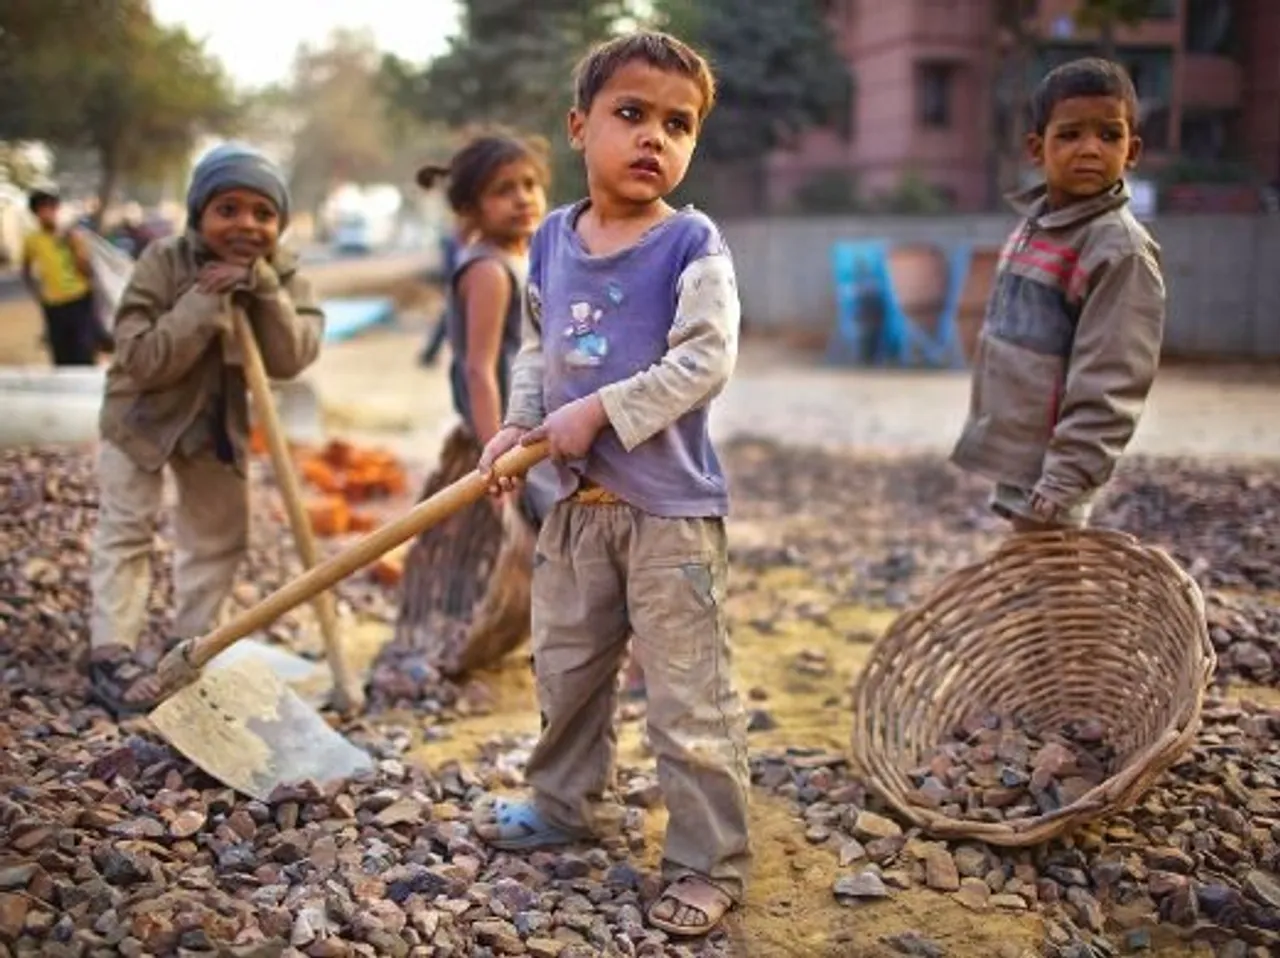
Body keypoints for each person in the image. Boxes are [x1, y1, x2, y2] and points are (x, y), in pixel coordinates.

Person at [472, 31, 750, 938]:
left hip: (668, 513)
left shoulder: (691, 243)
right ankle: (561, 804)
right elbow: (535, 348)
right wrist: (520, 425)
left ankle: (708, 859)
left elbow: (706, 359)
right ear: (579, 126)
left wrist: (599, 413)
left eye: (679, 125)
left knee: (687, 696)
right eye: (631, 115)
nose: (654, 140)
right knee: (568, 669)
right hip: (575, 513)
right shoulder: (551, 238)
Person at [88, 143, 324, 716]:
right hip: (141, 417)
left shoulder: (283, 273)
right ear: (199, 215)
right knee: (127, 527)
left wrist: (263, 288)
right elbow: (140, 359)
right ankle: (110, 654)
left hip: (215, 424)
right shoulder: (163, 262)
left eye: (262, 214)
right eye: (228, 209)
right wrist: (202, 299)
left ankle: (192, 647)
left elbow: (293, 356)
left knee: (220, 535)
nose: (246, 224)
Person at [951, 57, 1166, 532]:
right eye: (1070, 135)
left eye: (1109, 135)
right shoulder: (1040, 226)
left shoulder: (1117, 250)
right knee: (1040, 583)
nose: (1090, 149)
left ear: (1132, 151)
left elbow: (1111, 380)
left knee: (1054, 584)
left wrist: (1066, 478)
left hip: (1057, 467)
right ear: (1036, 148)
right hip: (1024, 456)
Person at [380, 133, 554, 687]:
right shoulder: (487, 269)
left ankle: (562, 639)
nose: (524, 198)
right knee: (545, 536)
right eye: (505, 191)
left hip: (540, 426)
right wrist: (499, 453)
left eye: (530, 185)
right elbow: (478, 367)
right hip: (509, 432)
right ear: (472, 209)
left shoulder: (524, 258)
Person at [20, 189, 101, 365]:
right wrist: (38, 294)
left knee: (83, 350)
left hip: (79, 299)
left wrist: (74, 248)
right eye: (42, 210)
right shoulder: (32, 240)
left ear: (57, 210)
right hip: (53, 304)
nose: (47, 214)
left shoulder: (72, 235)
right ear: (36, 214)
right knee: (61, 352)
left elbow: (88, 271)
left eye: (51, 209)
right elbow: (26, 269)